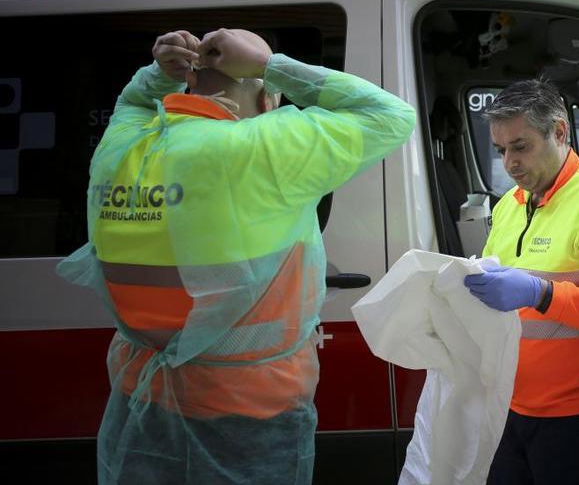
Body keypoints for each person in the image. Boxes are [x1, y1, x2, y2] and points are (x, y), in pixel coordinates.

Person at [57, 29, 415, 484]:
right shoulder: (263, 148)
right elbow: (391, 115)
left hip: (141, 399)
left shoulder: (124, 146)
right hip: (250, 408)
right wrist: (271, 65)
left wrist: (158, 75)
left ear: (189, 85)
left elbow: (132, 105)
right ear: (268, 100)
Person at [463, 80, 579, 484]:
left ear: (560, 132)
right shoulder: (509, 206)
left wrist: (541, 292)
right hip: (509, 408)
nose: (509, 163)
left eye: (521, 146)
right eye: (501, 150)